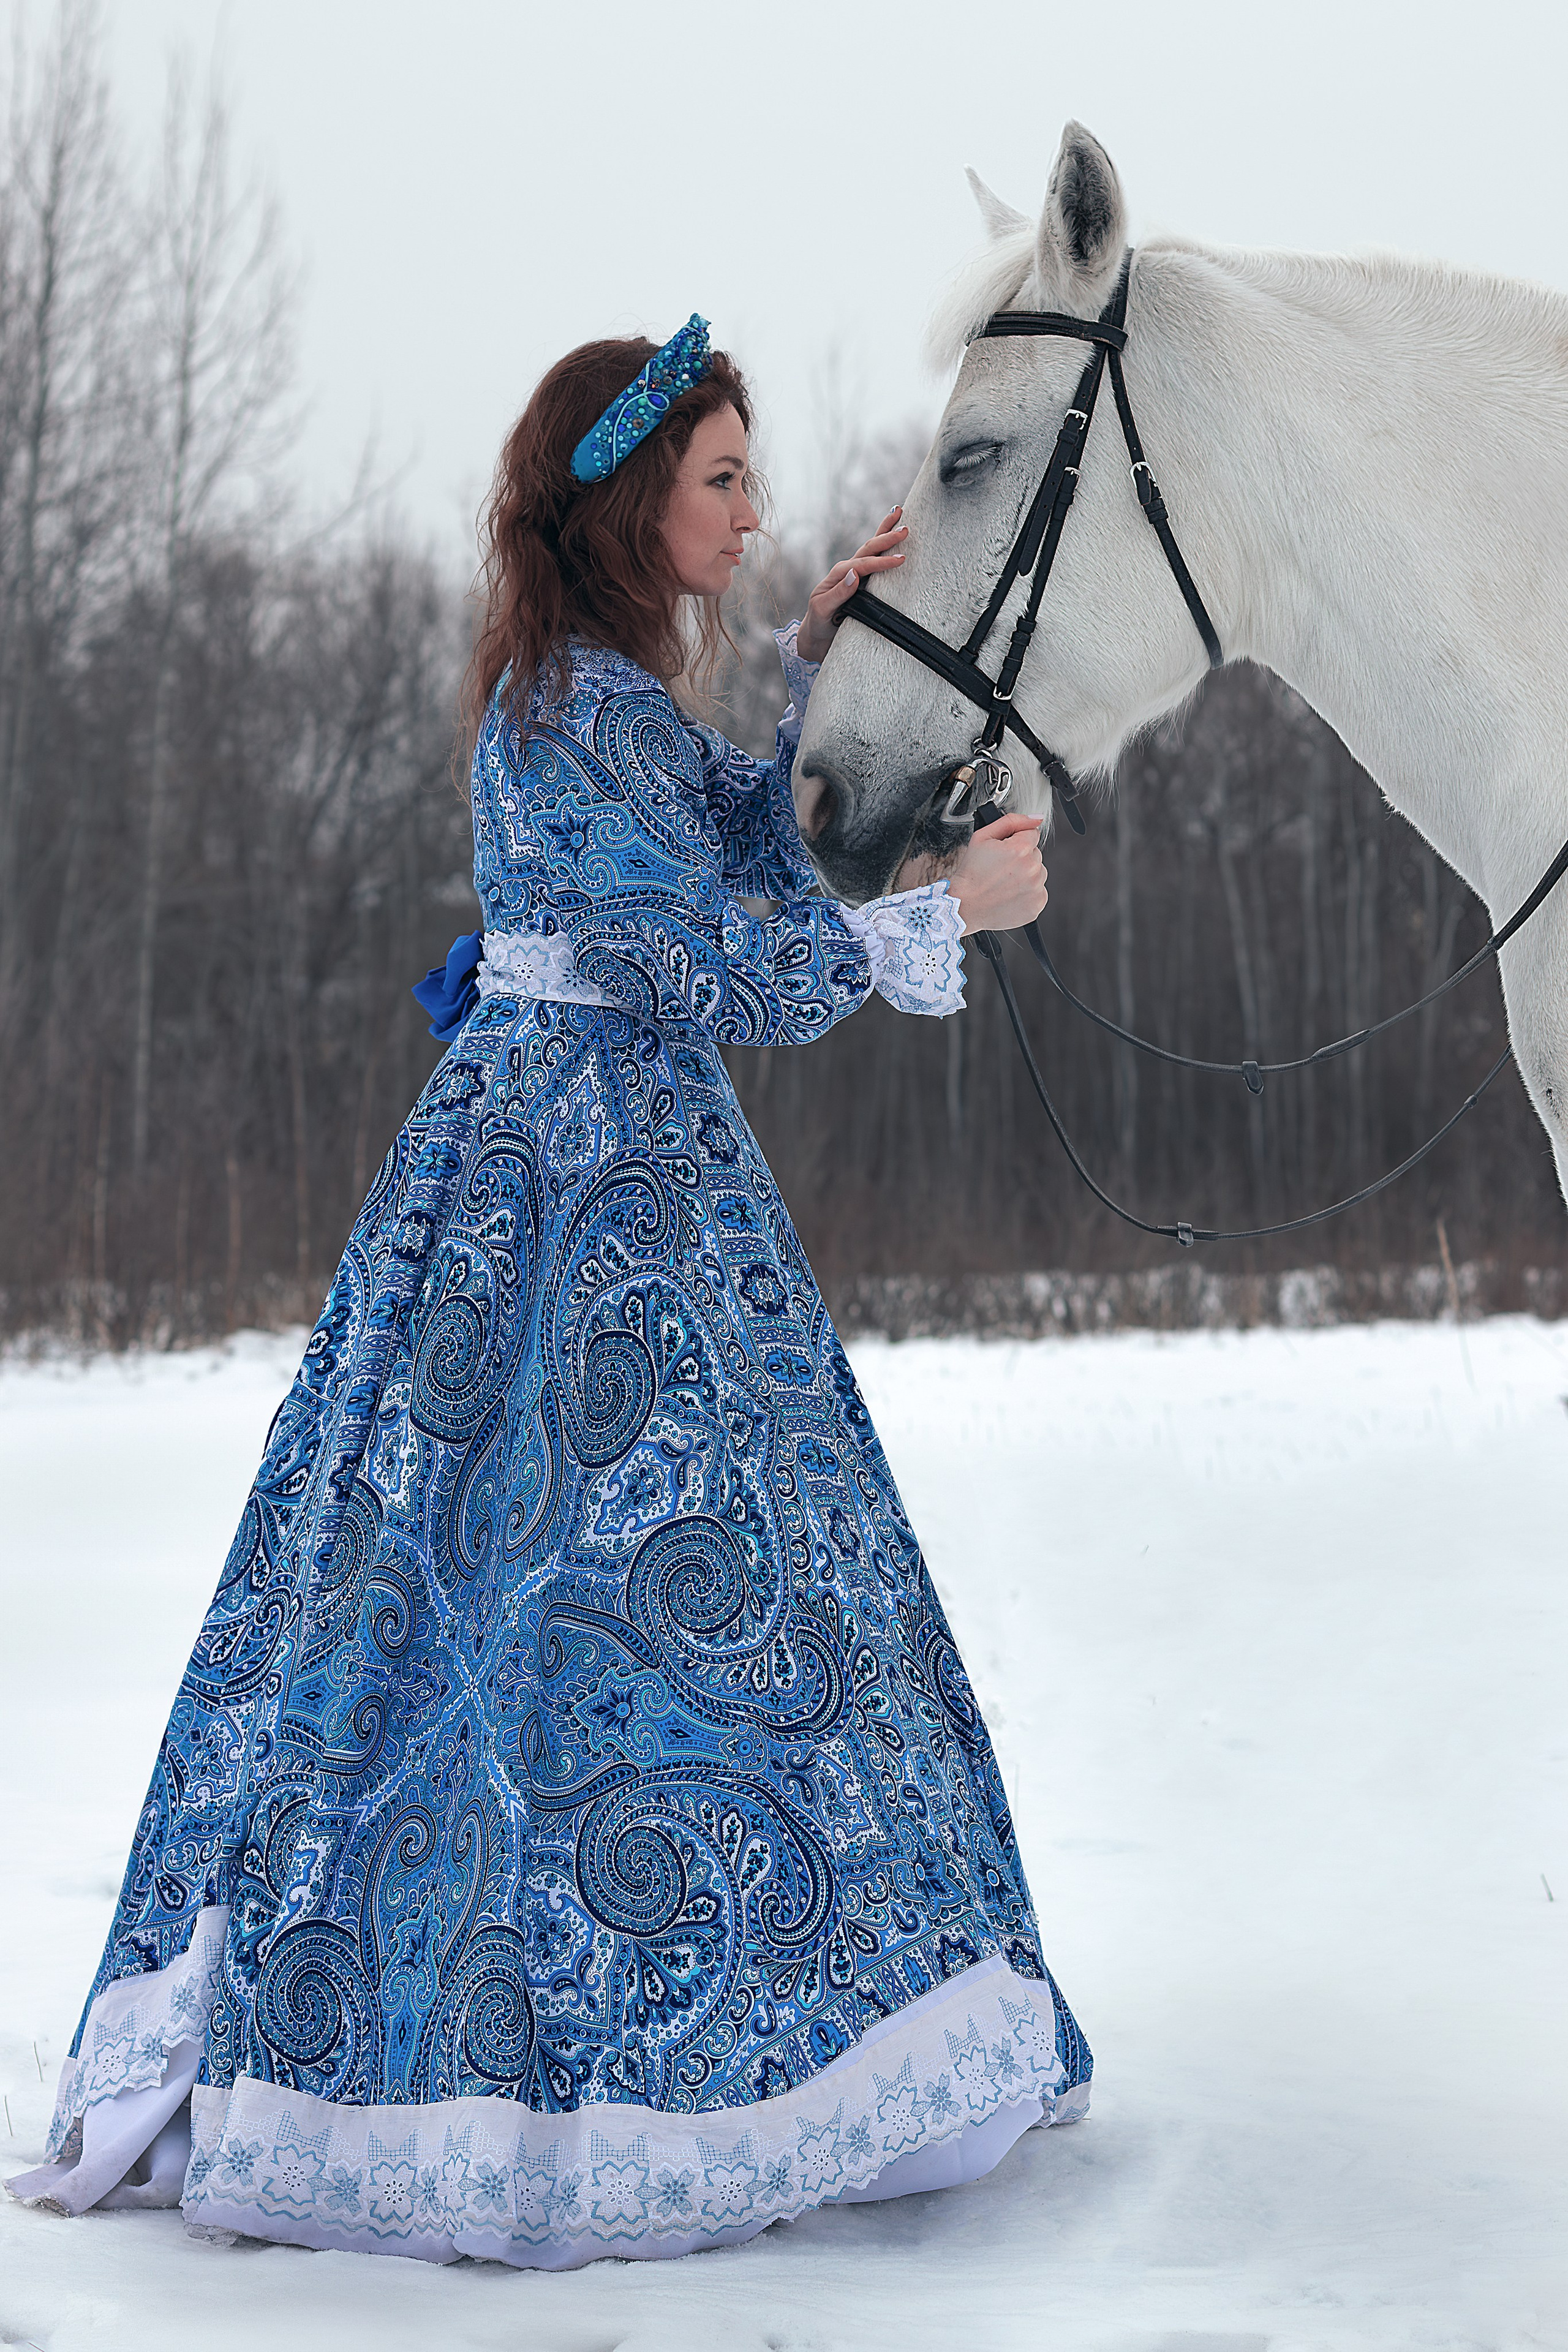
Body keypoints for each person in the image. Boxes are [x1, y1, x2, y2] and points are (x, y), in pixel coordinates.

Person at [8, 317, 1088, 2267]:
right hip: (561, 1183)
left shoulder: (603, 695)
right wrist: (944, 917)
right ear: (627, 506)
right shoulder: (560, 709)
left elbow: (745, 847)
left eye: (754, 479)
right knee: (516, 1595)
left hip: (625, 1167)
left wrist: (817, 662)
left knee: (688, 1590)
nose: (756, 512)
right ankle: (527, 2071)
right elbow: (730, 964)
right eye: (724, 483)